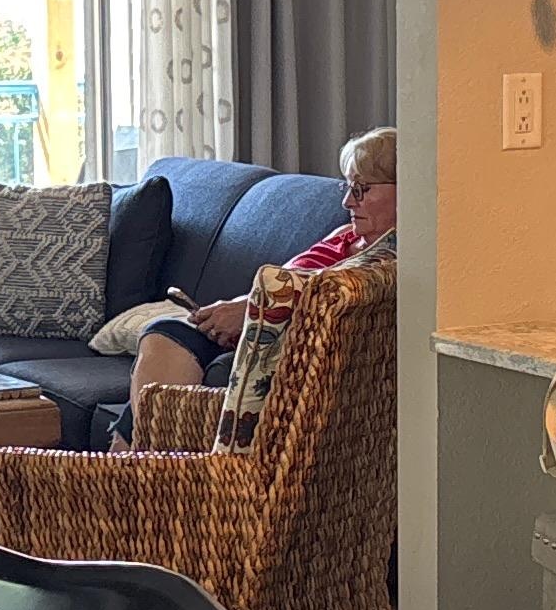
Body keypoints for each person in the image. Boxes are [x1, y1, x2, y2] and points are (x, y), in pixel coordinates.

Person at [129, 126, 396, 416]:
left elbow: (330, 305)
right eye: (347, 187)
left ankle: (134, 446)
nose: (348, 202)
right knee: (165, 333)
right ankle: (138, 445)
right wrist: (236, 312)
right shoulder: (344, 235)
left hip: (283, 351)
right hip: (251, 331)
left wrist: (250, 312)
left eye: (362, 189)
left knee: (191, 356)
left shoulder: (389, 261)